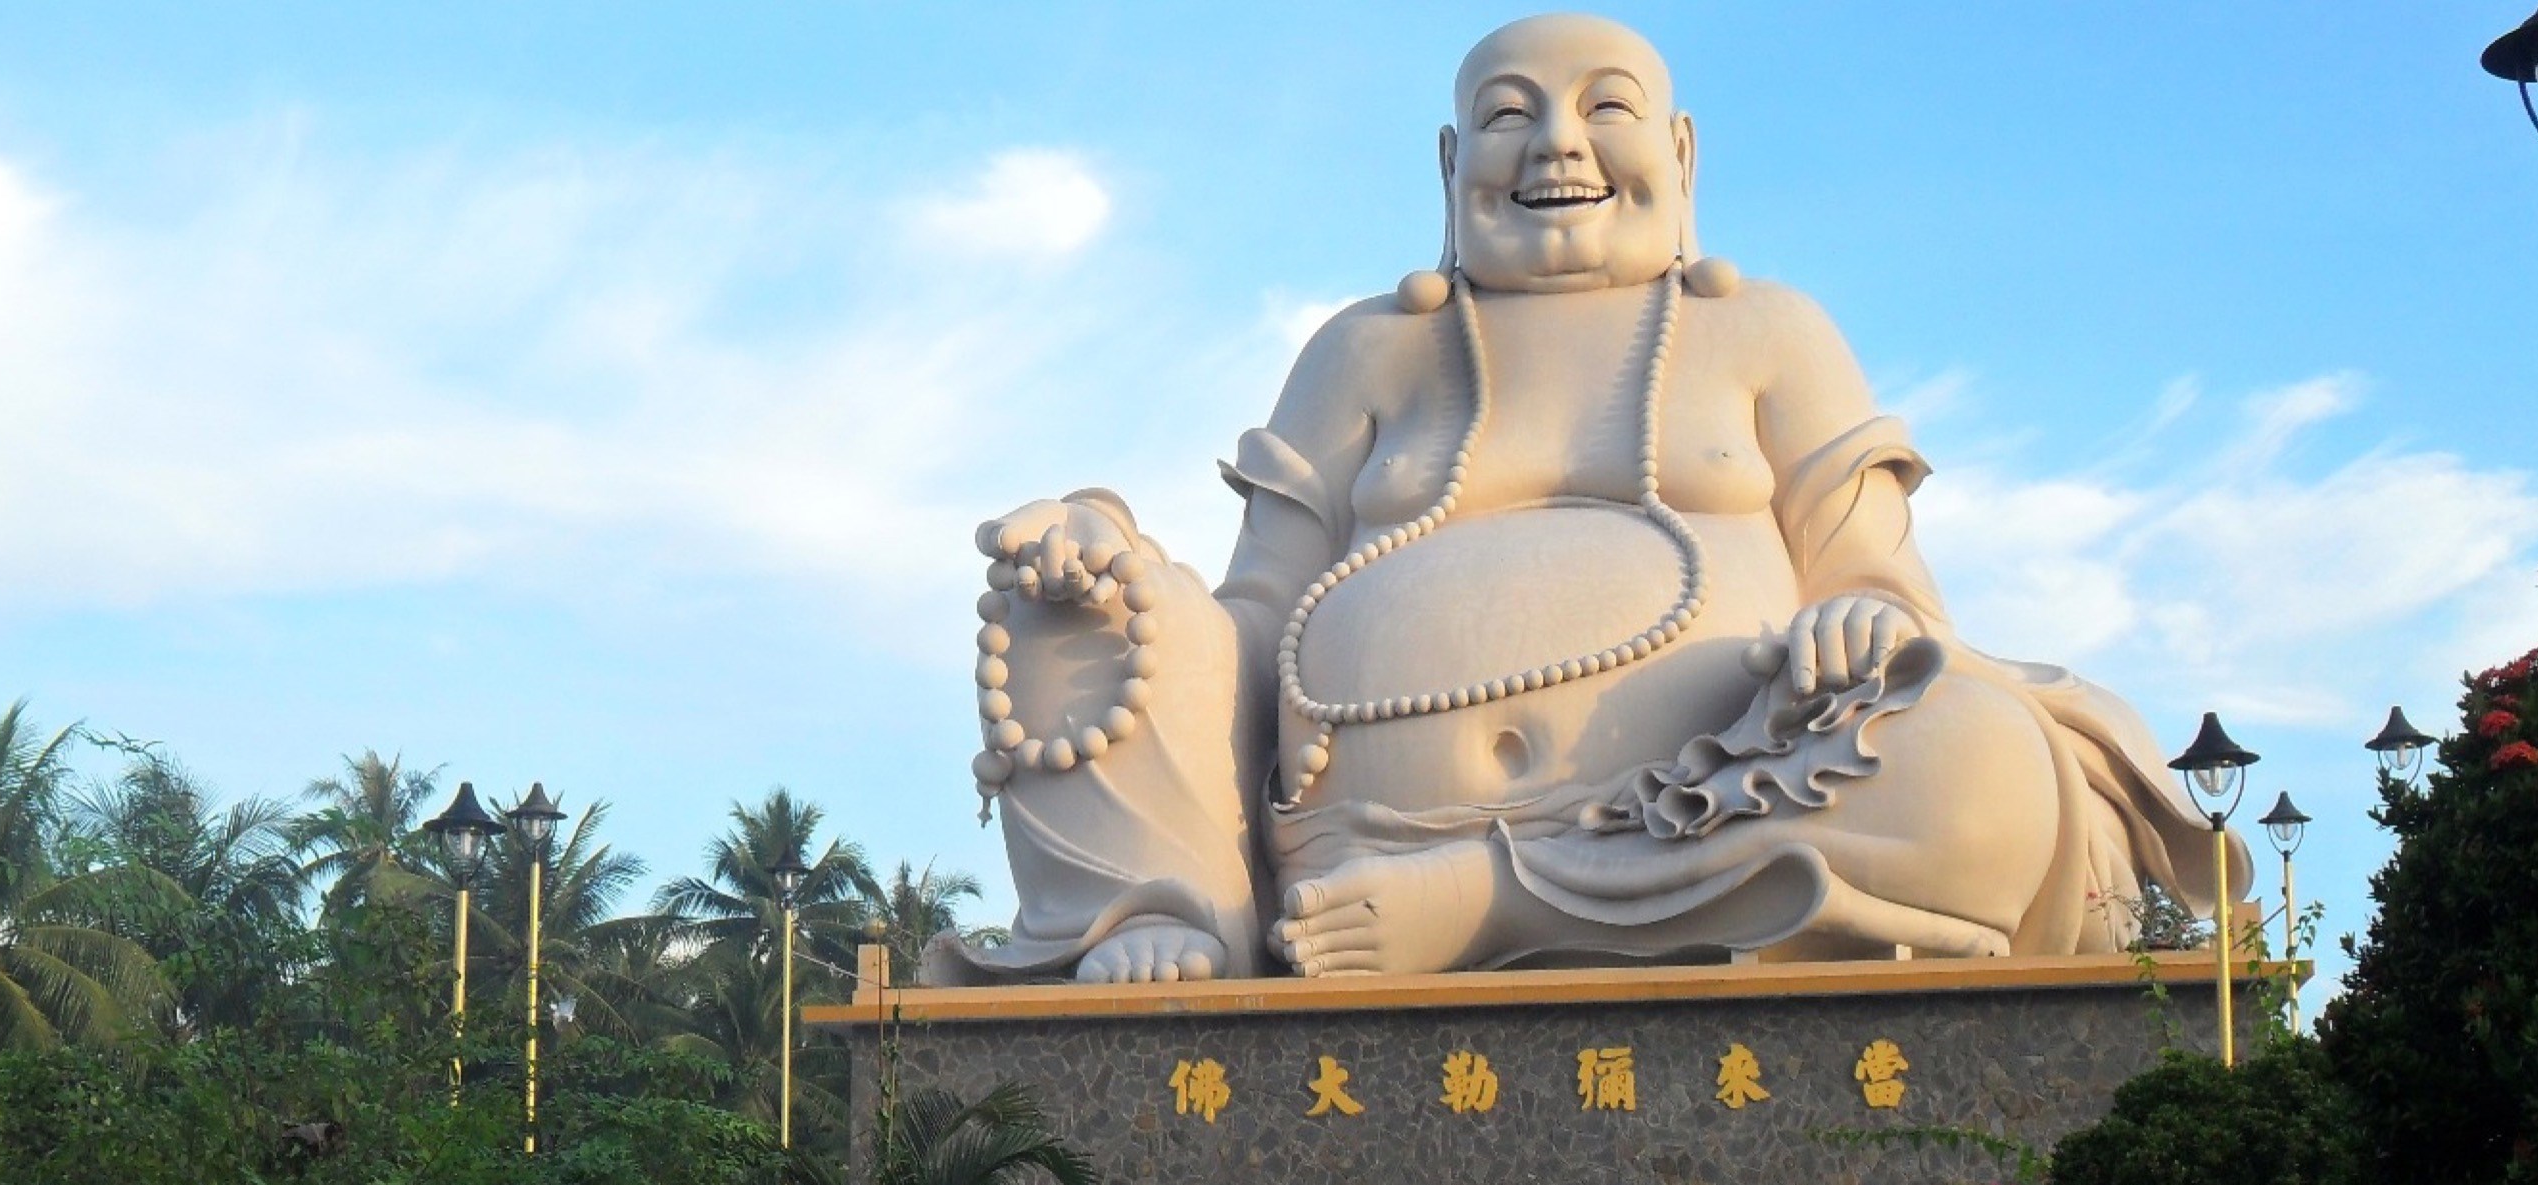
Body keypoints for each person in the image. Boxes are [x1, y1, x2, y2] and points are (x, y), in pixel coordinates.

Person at [936, 12, 2235, 986]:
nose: (1556, 141)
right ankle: (1171, 910)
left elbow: (1885, 594)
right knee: (1067, 603)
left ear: (1679, 152)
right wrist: (1119, 572)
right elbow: (1253, 617)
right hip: (1347, 849)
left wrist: (1862, 628)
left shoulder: (1768, 333)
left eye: (1600, 108)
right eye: (1509, 115)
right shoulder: (1366, 352)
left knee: (1988, 768)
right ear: (1452, 162)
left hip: (1712, 811)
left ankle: (1503, 900)